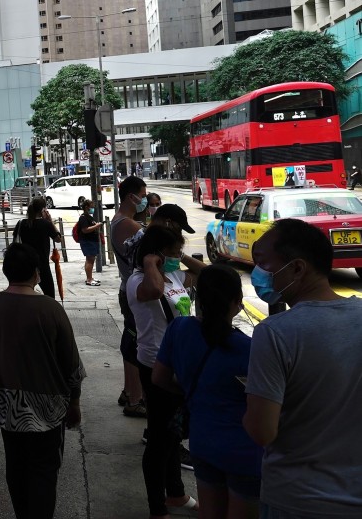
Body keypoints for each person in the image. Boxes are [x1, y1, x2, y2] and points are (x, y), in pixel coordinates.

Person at [243, 219, 362, 517]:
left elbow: (262, 432)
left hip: (297, 500)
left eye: (264, 264)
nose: (259, 274)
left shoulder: (275, 333)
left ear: (297, 268)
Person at [0, 243, 85, 519]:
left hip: (8, 407)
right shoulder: (50, 309)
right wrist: (75, 402)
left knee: (16, 468)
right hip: (50, 406)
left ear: (6, 272)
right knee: (44, 471)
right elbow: (72, 364)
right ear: (36, 273)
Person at [154, 264, 262, 519]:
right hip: (244, 452)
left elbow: (159, 378)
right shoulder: (249, 348)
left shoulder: (179, 329)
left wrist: (197, 390)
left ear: (197, 298)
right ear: (238, 301)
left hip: (203, 442)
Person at [128, 226, 200, 518]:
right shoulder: (136, 282)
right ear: (154, 254)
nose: (175, 257)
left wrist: (180, 256)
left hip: (180, 365)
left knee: (172, 436)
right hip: (155, 365)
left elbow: (207, 276)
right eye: (170, 252)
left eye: (177, 252)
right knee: (160, 440)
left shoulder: (174, 275)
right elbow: (155, 291)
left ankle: (176, 494)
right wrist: (148, 262)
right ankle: (157, 507)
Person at [110, 175, 148, 415]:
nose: (145, 201)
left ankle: (129, 392)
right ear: (131, 197)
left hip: (128, 290)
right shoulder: (128, 224)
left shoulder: (120, 220)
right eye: (143, 197)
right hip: (134, 292)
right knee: (136, 346)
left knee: (130, 343)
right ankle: (136, 400)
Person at [11, 197, 61, 298]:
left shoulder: (21, 223)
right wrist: (50, 221)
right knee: (49, 294)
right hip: (42, 265)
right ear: (43, 210)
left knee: (24, 293)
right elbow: (58, 239)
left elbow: (15, 240)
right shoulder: (45, 224)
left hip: (24, 263)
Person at [76, 198, 103, 286]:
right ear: (87, 207)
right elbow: (85, 230)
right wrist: (97, 226)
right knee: (90, 260)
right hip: (88, 241)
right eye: (92, 206)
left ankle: (90, 277)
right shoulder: (83, 217)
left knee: (91, 259)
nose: (93, 208)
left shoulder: (89, 217)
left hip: (92, 241)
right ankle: (89, 279)